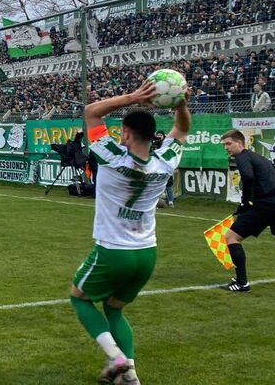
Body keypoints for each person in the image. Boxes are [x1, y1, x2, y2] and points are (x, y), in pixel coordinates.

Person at [69, 81, 190, 385]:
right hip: (146, 253)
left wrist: (133, 98)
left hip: (113, 250)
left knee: (79, 298)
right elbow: (182, 130)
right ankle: (130, 375)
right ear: (152, 136)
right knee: (114, 308)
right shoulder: (165, 162)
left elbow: (91, 112)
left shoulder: (110, 155)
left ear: (124, 134)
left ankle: (117, 357)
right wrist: (180, 106)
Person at [219, 130, 275, 292]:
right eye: (224, 145)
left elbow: (248, 177)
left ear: (240, 143)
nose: (226, 148)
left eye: (228, 144)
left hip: (265, 204)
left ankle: (242, 283)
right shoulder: (260, 157)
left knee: (231, 237)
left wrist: (245, 203)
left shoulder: (242, 157)